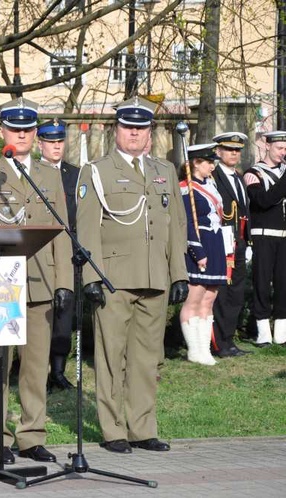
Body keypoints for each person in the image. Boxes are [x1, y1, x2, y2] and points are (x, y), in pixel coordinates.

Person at [0, 98, 73, 465]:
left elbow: (60, 231)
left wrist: (63, 283)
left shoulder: (48, 175)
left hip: (40, 280)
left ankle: (31, 436)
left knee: (36, 364)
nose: (22, 134)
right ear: (2, 132)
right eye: (15, 128)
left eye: (28, 128)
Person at [75, 97, 188, 454]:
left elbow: (177, 225)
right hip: (114, 278)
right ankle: (114, 430)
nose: (135, 133)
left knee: (146, 358)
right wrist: (92, 278)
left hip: (155, 276)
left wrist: (179, 272)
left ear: (149, 133)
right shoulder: (96, 170)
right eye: (128, 127)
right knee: (111, 357)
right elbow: (87, 227)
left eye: (141, 128)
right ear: (116, 130)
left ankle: (143, 428)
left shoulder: (164, 170)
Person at [36, 118, 79, 393]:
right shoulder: (32, 172)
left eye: (60, 141)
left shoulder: (75, 174)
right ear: (40, 143)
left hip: (69, 251)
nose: (56, 147)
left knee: (65, 315)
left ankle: (59, 372)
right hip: (40, 252)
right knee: (40, 316)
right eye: (51, 142)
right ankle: (38, 371)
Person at [178, 144, 228, 365]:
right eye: (209, 162)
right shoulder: (185, 188)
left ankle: (204, 348)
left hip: (216, 243)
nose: (212, 166)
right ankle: (194, 349)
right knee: (194, 298)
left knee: (209, 298)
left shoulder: (212, 185)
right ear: (196, 163)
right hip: (199, 244)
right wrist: (197, 250)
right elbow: (187, 222)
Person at [243, 130, 286, 346]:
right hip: (264, 235)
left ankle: (281, 331)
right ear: (267, 146)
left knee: (283, 283)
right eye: (280, 148)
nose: (283, 153)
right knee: (261, 282)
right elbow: (263, 200)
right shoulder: (254, 173)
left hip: (284, 235)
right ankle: (262, 330)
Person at [211, 132, 252, 357]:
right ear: (218, 151)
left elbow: (245, 212)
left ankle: (229, 340)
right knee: (221, 294)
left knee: (236, 293)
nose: (234, 154)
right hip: (221, 242)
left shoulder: (238, 176)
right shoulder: (214, 176)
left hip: (238, 242)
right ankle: (218, 343)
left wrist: (247, 242)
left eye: (237, 150)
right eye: (229, 149)